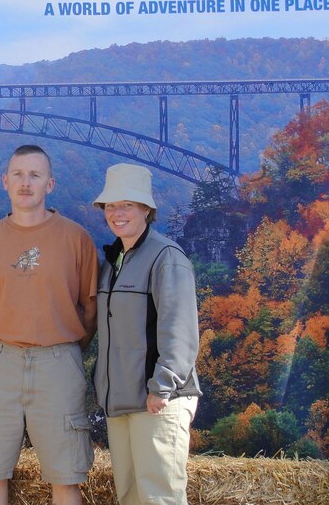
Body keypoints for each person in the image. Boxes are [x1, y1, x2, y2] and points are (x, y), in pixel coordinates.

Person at [0, 144, 97, 505]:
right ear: (5, 181)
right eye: (19, 175)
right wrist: (5, 340)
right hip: (0, 360)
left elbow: (90, 308)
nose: (26, 183)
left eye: (35, 175)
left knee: (66, 477)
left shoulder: (76, 239)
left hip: (59, 362)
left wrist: (62, 347)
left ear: (50, 184)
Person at [92, 163, 201, 505]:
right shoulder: (113, 261)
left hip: (157, 401)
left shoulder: (166, 257)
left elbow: (180, 329)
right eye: (111, 205)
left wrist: (162, 386)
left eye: (126, 204)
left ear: (146, 209)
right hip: (121, 400)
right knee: (130, 496)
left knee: (159, 497)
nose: (117, 213)